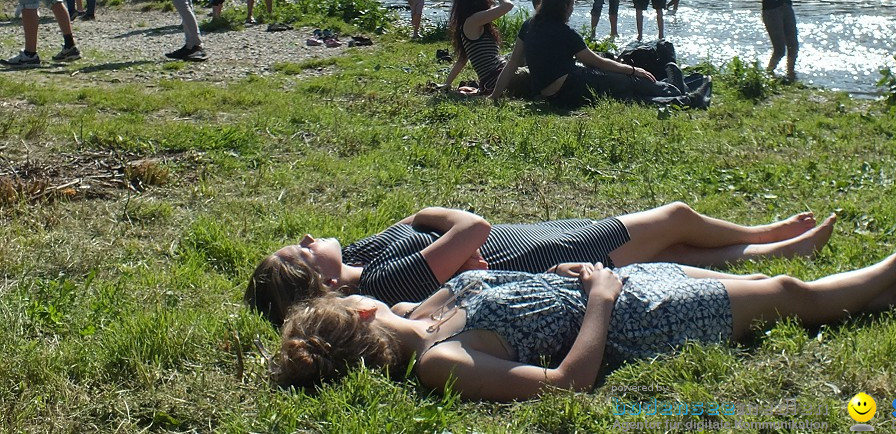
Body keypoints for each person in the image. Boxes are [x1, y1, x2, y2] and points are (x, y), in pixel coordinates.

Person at [272, 213, 896, 400]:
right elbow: (567, 384)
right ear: (362, 314)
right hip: (637, 321)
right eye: (359, 298)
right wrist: (599, 299)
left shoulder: (426, 314)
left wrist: (573, 273)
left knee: (698, 262)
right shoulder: (440, 363)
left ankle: (890, 297)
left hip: (600, 284)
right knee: (785, 295)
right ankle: (890, 271)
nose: (363, 294)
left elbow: (496, 286)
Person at [246, 203, 837, 326]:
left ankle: (778, 250)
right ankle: (769, 235)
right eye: (302, 248)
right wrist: (437, 220)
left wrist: (436, 226)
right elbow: (468, 228)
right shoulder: (382, 279)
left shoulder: (365, 253)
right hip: (544, 253)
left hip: (525, 238)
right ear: (323, 281)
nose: (307, 234)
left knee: (669, 250)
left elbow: (442, 228)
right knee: (674, 221)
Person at [490, 0, 708, 109]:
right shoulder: (566, 33)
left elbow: (512, 64)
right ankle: (681, 95)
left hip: (549, 95)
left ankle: (675, 90)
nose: (573, 10)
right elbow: (598, 63)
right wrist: (634, 69)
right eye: (572, 5)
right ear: (564, 7)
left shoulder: (528, 25)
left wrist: (494, 96)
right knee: (629, 83)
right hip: (570, 87)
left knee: (625, 95)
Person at [444, 0, 515, 94]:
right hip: (498, 78)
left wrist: (447, 84)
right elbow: (508, 5)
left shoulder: (468, 24)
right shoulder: (473, 21)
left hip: (494, 78)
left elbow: (462, 60)